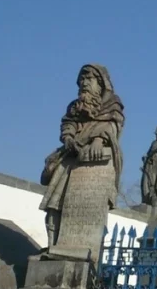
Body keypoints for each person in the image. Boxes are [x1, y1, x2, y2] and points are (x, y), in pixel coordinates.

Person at [39, 64, 125, 248]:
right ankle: (52, 246)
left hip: (95, 160)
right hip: (70, 158)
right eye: (82, 80)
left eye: (90, 79)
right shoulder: (75, 106)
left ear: (100, 83)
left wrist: (99, 139)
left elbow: (113, 125)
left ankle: (85, 249)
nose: (85, 83)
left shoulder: (112, 104)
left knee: (91, 211)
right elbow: (67, 124)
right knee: (54, 206)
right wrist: (69, 138)